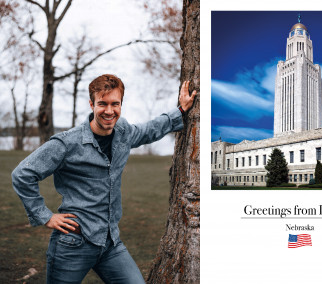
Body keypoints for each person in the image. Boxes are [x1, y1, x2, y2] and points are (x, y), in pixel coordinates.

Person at [12, 74, 197, 283]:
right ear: (92, 104)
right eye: (102, 103)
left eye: (115, 104)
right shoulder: (67, 143)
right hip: (73, 243)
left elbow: (148, 131)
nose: (109, 111)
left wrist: (180, 110)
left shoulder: (123, 132)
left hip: (111, 244)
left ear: (121, 104)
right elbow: (23, 174)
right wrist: (44, 215)